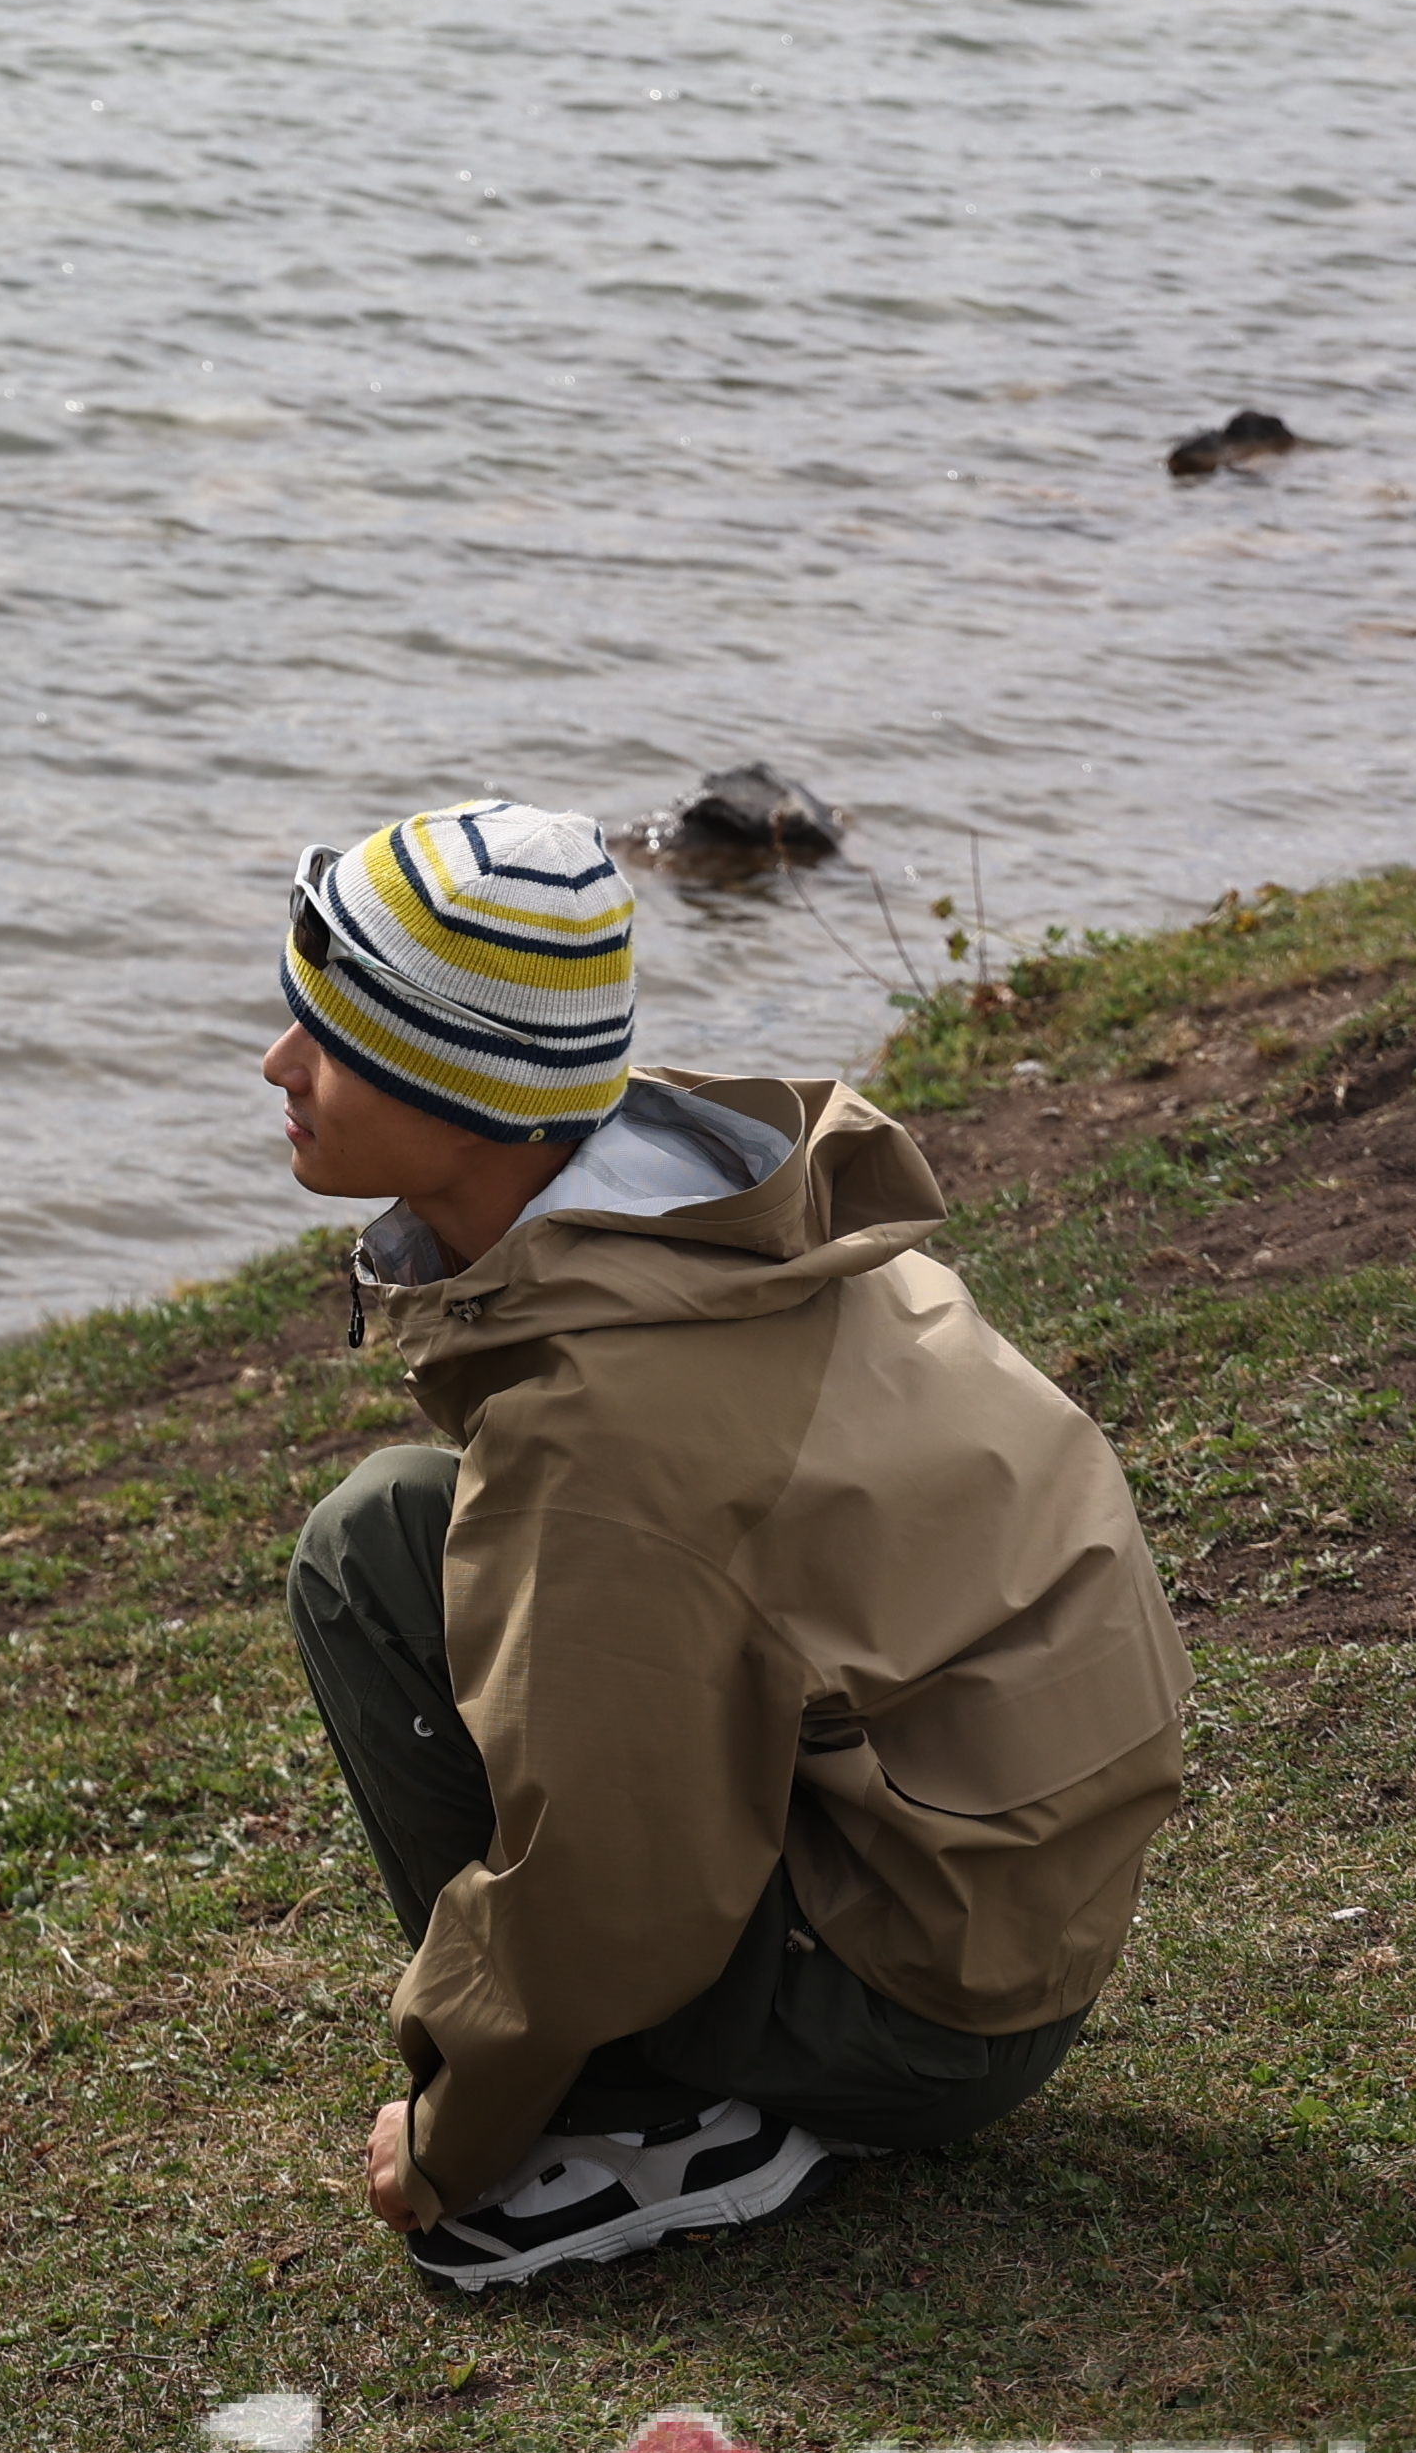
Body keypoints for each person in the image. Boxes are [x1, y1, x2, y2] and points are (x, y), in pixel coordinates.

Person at [264, 801, 1189, 2289]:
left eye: (334, 1039)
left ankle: (636, 2124)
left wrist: (459, 2132)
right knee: (396, 1528)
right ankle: (688, 2082)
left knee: (366, 1563)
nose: (278, 1066)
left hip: (927, 2011)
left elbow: (610, 1887)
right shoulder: (714, 1215)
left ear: (472, 1090)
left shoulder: (608, 1426)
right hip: (999, 1898)